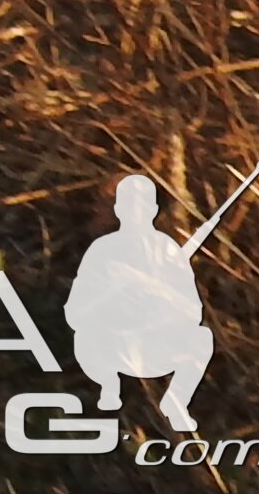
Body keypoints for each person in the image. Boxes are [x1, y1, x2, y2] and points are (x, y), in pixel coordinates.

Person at [64, 174, 213, 434]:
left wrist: (154, 289)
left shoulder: (167, 250)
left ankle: (176, 401)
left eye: (143, 204)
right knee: (85, 339)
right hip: (112, 344)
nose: (135, 211)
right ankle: (109, 389)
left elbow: (193, 311)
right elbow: (75, 312)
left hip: (157, 343)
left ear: (154, 209)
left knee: (202, 338)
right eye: (128, 203)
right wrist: (110, 296)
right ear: (118, 209)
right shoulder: (102, 250)